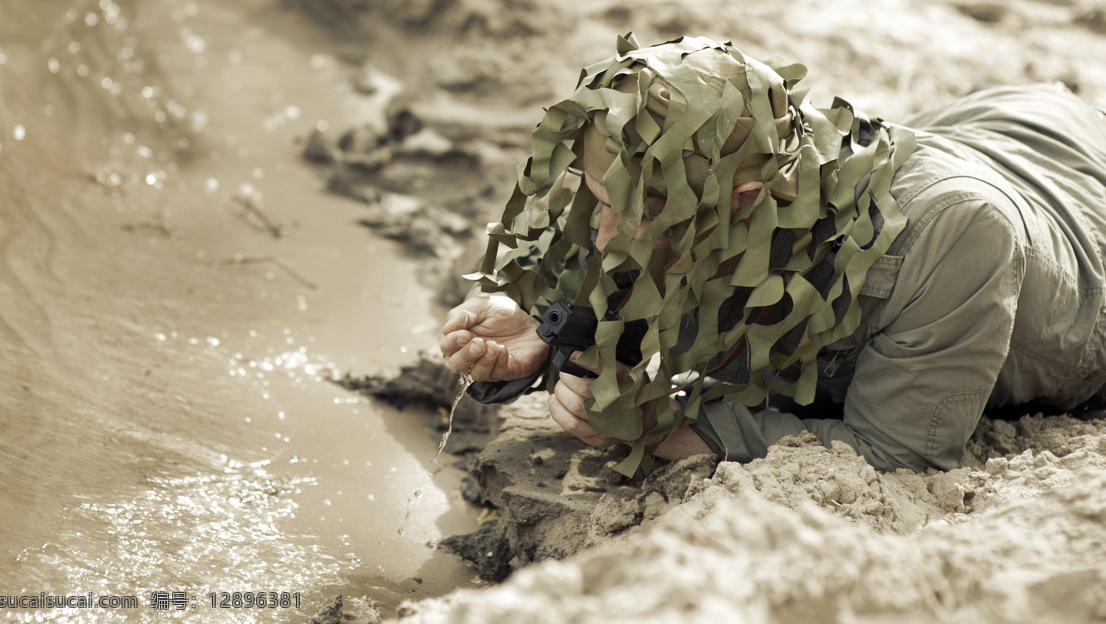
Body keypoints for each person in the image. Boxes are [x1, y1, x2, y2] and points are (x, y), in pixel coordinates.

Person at [439, 34, 1106, 476]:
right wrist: (542, 326)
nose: (606, 235)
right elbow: (625, 250)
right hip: (999, 117)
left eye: (638, 215)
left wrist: (672, 429)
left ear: (746, 198)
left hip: (1075, 189)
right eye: (598, 201)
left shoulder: (955, 236)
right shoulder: (704, 169)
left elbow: (902, 454)